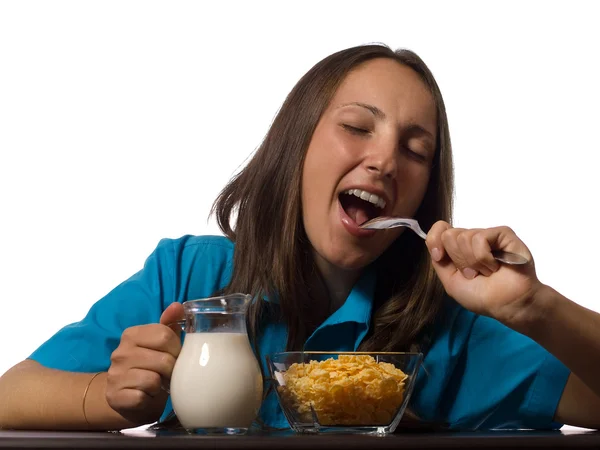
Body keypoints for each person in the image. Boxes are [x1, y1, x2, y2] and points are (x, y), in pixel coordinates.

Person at [0, 43, 599, 432]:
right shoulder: (189, 278)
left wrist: (532, 306)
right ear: (297, 146)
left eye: (416, 150)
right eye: (357, 127)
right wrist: (109, 396)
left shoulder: (443, 330)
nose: (386, 161)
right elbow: (12, 394)